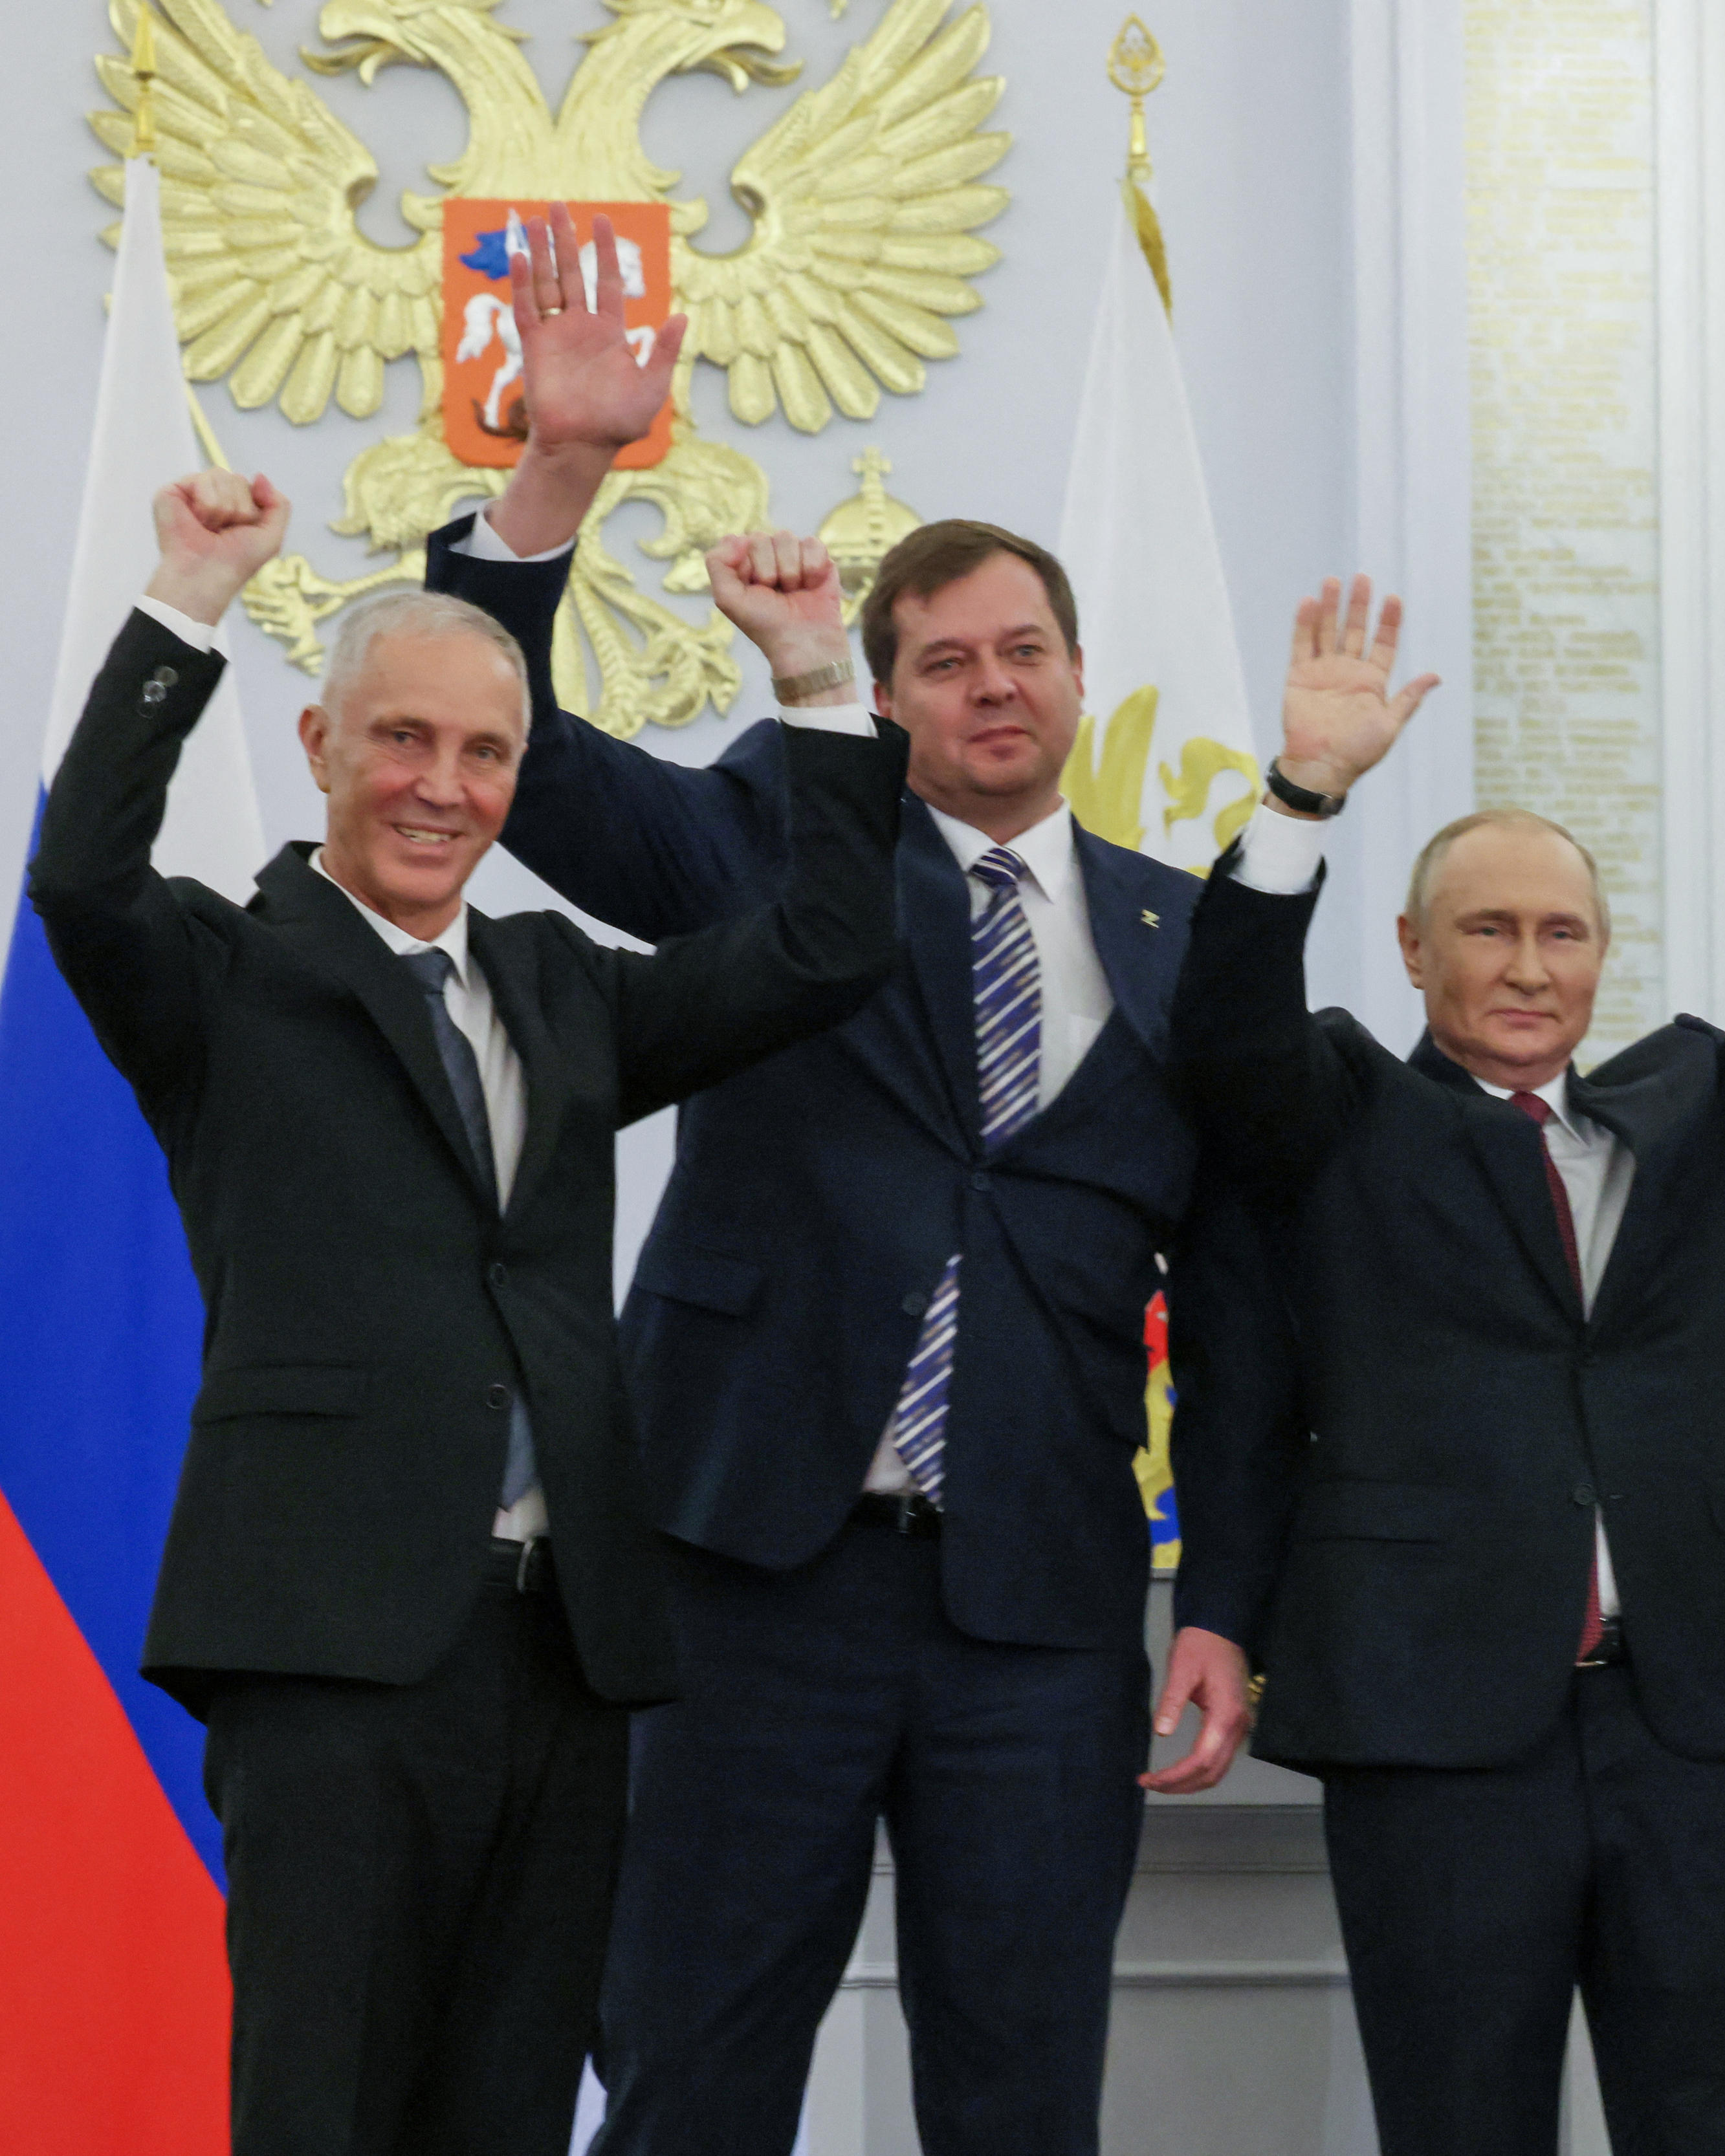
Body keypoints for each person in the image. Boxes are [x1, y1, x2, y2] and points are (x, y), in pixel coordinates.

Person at [413, 206, 1297, 2155]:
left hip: (1045, 1605)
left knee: (1020, 2086)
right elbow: (534, 765)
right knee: (691, 2065)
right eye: (945, 661)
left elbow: (1239, 1301)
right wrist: (558, 471)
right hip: (750, 1570)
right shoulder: (772, 842)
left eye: (1026, 651)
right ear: (882, 697)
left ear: (1079, 671)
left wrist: (1224, 1597)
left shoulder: (1188, 937)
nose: (992, 686)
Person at [26, 465, 904, 2155]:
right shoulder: (224, 971)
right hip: (331, 1639)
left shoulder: (563, 986)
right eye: (405, 740)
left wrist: (809, 674)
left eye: (485, 752)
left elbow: (822, 950)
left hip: (562, 1652)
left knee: (509, 2099)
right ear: (323, 748)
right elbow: (79, 878)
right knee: (325, 2095)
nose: (445, 786)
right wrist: (187, 596)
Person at [1168, 565, 1725, 2154]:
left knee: (1715, 2118)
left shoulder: (1689, 1115)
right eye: (1488, 930)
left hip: (1686, 1710)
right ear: (1411, 950)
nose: (1530, 966)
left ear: (1604, 954)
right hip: (1437, 1714)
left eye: (1563, 932)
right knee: (1462, 2122)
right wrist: (1304, 794)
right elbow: (1224, 1026)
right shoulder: (1336, 1114)